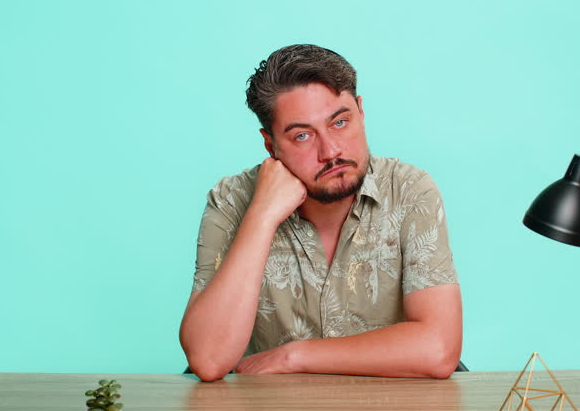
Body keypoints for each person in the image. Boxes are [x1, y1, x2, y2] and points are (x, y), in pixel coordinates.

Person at [179, 44, 462, 382]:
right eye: (302, 135)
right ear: (271, 146)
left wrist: (295, 355)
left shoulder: (409, 190)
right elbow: (208, 359)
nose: (331, 151)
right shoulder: (231, 200)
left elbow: (438, 349)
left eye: (340, 122)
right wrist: (262, 215)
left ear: (361, 112)